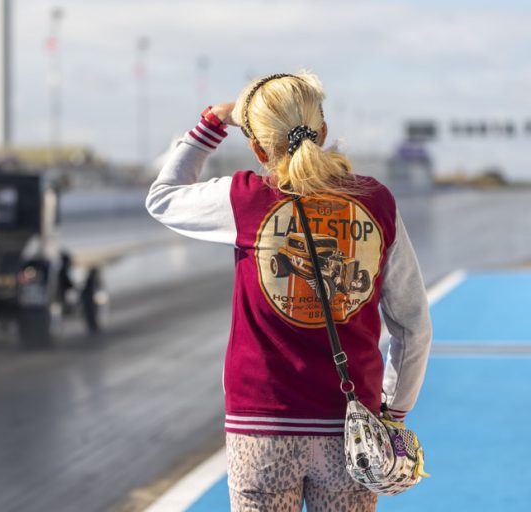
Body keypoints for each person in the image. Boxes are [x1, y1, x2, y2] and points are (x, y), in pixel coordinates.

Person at [145, 72, 431, 511]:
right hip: (350, 430)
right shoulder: (375, 201)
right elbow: (412, 326)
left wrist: (213, 122)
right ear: (324, 131)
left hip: (260, 426)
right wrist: (392, 414)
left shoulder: (244, 199)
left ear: (259, 148)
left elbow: (162, 198)